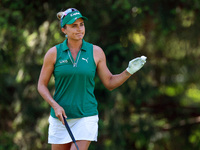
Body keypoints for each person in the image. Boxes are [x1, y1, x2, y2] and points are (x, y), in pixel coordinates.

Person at [37, 8, 147, 150]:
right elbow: (41, 85)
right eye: (73, 26)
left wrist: (128, 71)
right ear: (64, 30)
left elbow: (109, 83)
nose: (79, 29)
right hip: (61, 118)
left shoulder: (95, 52)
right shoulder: (53, 53)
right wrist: (55, 106)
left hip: (86, 116)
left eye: (81, 24)